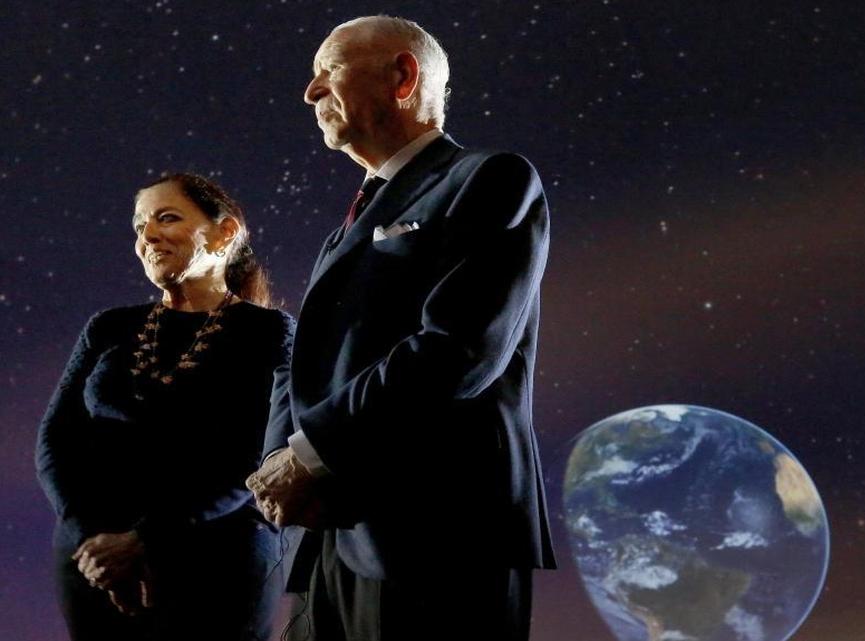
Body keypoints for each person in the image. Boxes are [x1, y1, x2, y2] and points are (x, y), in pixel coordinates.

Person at [245, 14, 556, 641]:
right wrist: (277, 461)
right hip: (333, 533)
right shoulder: (350, 227)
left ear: (403, 76)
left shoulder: (489, 179)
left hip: (439, 533)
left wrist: (307, 456)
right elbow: (308, 360)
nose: (309, 93)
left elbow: (458, 348)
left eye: (326, 72)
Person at [35, 173, 293, 641]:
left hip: (215, 555)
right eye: (138, 226)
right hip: (91, 556)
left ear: (225, 232)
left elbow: (256, 451)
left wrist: (145, 542)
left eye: (166, 218)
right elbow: (56, 438)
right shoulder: (109, 327)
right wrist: (92, 541)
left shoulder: (269, 332)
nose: (146, 235)